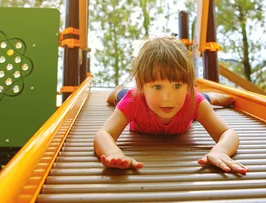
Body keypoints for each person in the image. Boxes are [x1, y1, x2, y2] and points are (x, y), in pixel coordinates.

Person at [94, 36, 248, 174]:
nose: (167, 98)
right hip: (135, 99)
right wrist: (113, 152)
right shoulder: (134, 100)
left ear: (187, 85)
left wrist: (220, 151)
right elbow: (103, 134)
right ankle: (117, 91)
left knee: (203, 99)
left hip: (189, 104)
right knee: (120, 97)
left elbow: (228, 133)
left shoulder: (194, 101)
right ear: (141, 85)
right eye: (157, 87)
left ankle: (212, 97)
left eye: (177, 86)